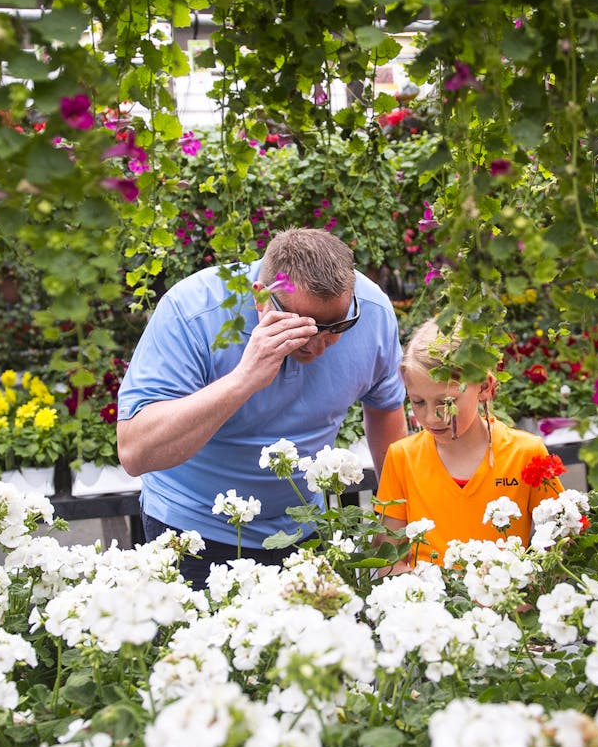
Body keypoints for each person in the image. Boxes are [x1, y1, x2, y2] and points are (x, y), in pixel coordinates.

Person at [116, 228, 409, 587]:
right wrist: (244, 379)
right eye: (300, 327)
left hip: (306, 528)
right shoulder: (193, 310)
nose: (317, 343)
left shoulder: (373, 313)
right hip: (192, 529)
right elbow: (135, 453)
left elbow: (386, 409)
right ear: (260, 297)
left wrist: (394, 526)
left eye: (336, 327)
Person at [376, 316, 565, 566]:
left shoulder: (526, 452)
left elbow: (560, 543)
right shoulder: (402, 457)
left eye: (447, 402)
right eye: (418, 401)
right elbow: (389, 558)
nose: (431, 417)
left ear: (485, 387)